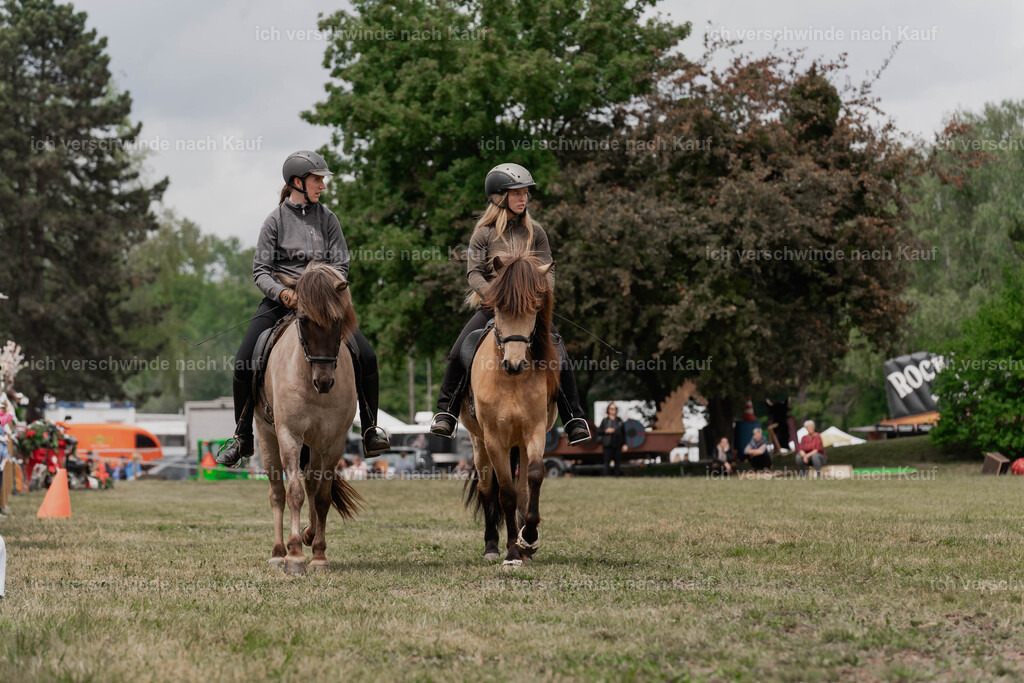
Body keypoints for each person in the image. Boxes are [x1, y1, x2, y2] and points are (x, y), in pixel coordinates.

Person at [216, 151, 390, 466]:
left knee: (367, 356)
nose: (322, 185)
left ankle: (370, 429)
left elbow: (341, 263)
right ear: (298, 182)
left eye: (322, 179)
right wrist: (284, 294)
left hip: (322, 305)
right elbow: (260, 271)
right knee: (244, 359)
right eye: (317, 179)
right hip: (281, 302)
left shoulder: (329, 218)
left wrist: (322, 291)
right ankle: (242, 436)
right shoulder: (275, 220)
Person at [429, 163, 591, 445]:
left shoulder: (536, 233)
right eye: (517, 193)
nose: (523, 198)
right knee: (458, 352)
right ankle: (446, 413)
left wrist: (538, 296)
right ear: (499, 197)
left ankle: (574, 417)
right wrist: (496, 296)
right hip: (493, 306)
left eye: (526, 193)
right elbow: (473, 273)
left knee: (560, 354)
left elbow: (548, 269)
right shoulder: (483, 234)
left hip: (530, 309)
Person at [597, 403, 627, 477]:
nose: (613, 410)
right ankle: (607, 477)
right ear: (608, 410)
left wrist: (625, 444)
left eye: (614, 409)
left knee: (617, 462)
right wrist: (606, 431)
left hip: (617, 443)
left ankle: (617, 477)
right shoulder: (605, 421)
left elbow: (623, 433)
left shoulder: (619, 420)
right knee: (607, 462)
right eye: (611, 409)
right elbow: (599, 431)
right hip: (607, 444)